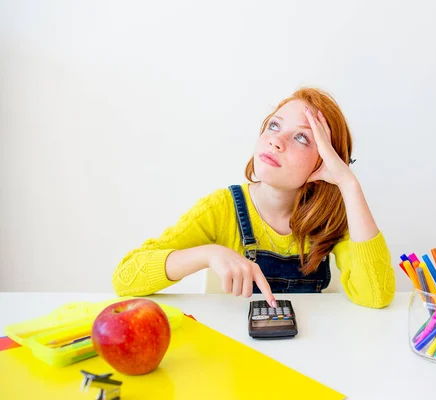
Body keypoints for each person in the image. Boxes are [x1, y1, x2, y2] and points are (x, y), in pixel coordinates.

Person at [112, 87, 396, 309]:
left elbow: (376, 296)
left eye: (301, 138)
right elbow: (125, 277)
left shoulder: (331, 220)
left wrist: (347, 182)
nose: (276, 141)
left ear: (325, 160)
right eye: (274, 126)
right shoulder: (221, 208)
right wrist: (209, 254)